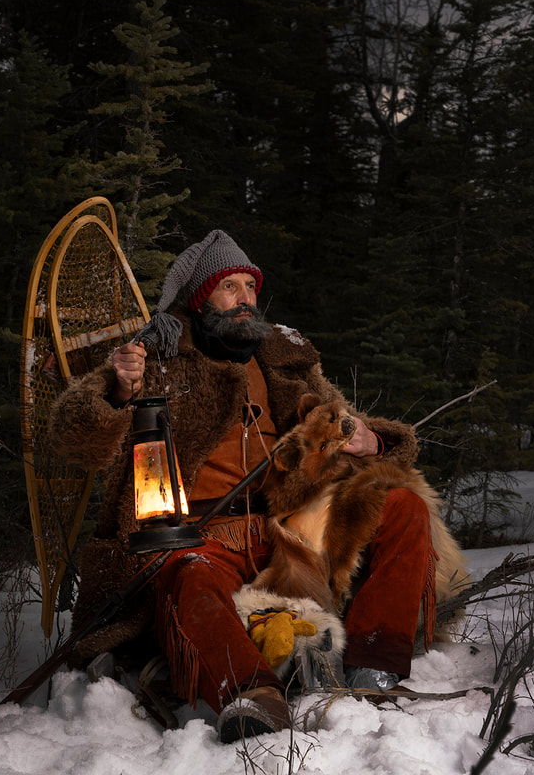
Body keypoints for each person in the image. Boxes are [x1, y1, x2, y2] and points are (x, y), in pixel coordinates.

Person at [49, 230, 434, 743]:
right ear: (199, 298)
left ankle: (375, 668)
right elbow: (75, 440)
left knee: (402, 504)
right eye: (229, 286)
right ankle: (252, 695)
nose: (244, 299)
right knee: (187, 573)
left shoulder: (283, 358)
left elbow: (343, 424)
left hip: (290, 525)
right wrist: (119, 391)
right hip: (199, 534)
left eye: (250, 287)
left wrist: (372, 442)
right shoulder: (155, 355)